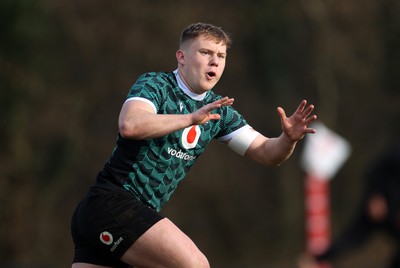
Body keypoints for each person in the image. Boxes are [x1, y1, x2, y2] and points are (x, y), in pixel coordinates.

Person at [71, 22, 317, 268]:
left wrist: (288, 139)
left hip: (113, 218)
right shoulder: (156, 85)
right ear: (181, 57)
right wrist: (190, 119)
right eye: (206, 52)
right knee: (196, 265)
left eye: (221, 55)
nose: (215, 61)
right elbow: (130, 125)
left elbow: (267, 153)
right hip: (112, 203)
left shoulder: (219, 111)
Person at [298, 144, 400, 268]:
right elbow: (377, 168)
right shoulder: (395, 155)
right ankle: (314, 258)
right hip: (382, 205)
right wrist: (376, 195)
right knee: (352, 238)